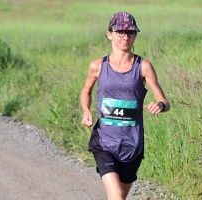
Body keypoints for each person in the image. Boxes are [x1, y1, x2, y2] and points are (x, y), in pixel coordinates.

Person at [80, 11, 170, 200]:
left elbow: (164, 101)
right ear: (109, 34)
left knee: (120, 195)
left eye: (130, 32)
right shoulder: (97, 66)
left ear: (135, 35)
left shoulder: (143, 66)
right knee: (117, 197)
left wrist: (160, 106)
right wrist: (86, 110)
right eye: (120, 32)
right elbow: (86, 91)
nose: (125, 37)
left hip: (132, 144)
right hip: (104, 141)